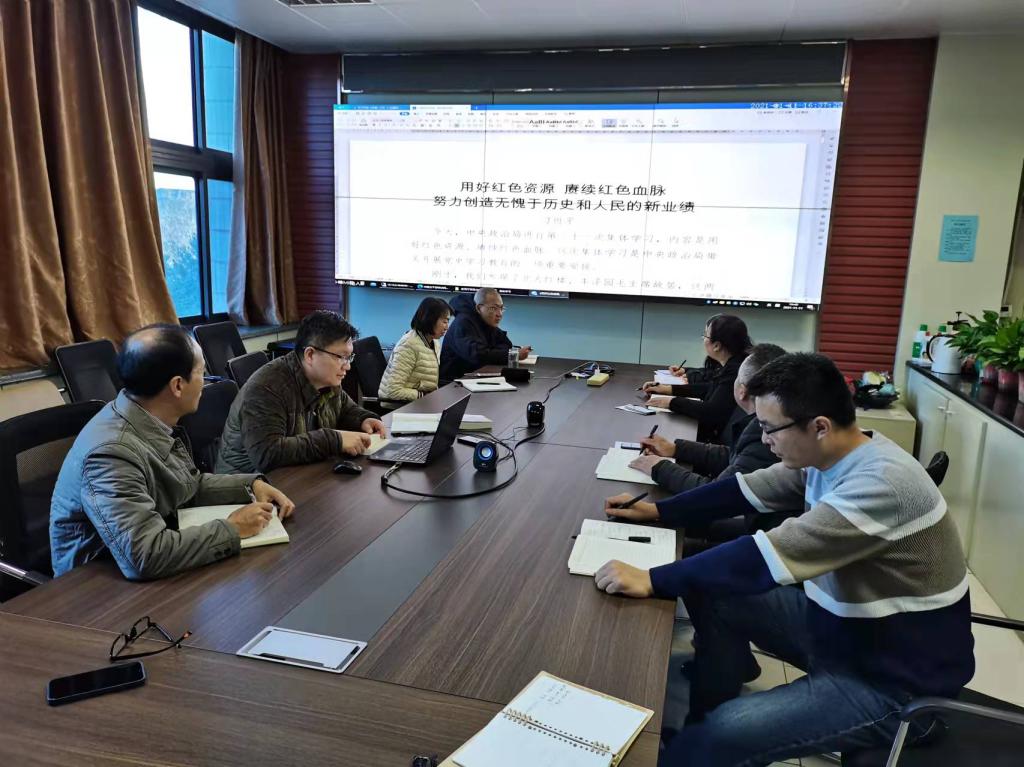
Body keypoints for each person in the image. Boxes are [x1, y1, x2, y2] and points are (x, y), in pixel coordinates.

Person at [599, 353, 974, 765]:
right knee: (712, 593)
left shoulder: (882, 485)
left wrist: (653, 579)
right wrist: (658, 511)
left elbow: (760, 557)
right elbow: (742, 490)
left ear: (819, 427)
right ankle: (698, 739)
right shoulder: (837, 453)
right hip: (844, 636)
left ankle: (703, 746)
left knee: (725, 731)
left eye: (768, 428)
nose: (764, 440)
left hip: (896, 685)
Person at [50, 324, 296, 582]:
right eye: (201, 372)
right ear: (178, 385)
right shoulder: (112, 453)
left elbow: (187, 486)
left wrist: (251, 484)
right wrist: (233, 528)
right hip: (95, 589)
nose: (205, 381)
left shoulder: (146, 417)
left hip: (145, 562)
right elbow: (144, 555)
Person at [216, 311, 387, 474]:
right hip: (248, 484)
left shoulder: (327, 380)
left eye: (349, 357)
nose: (347, 366)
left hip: (297, 474)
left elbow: (345, 410)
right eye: (340, 357)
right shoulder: (266, 388)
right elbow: (267, 454)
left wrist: (363, 419)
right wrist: (334, 440)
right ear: (310, 355)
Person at [629, 343, 786, 495]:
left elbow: (717, 494)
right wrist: (676, 449)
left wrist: (660, 468)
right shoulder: (762, 422)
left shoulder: (764, 435)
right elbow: (735, 456)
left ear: (742, 391)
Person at [643, 314, 751, 444]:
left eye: (705, 336)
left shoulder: (735, 371)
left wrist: (671, 402)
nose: (703, 339)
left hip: (716, 443)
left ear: (717, 346)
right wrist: (667, 389)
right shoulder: (733, 363)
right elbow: (709, 388)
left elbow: (711, 412)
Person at [438, 288, 531, 382]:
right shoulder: (463, 323)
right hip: (453, 382)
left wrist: (492, 352)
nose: (499, 314)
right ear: (479, 308)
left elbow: (506, 344)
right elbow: (477, 355)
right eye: (493, 308)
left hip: (476, 378)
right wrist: (513, 355)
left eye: (501, 308)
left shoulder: (485, 321)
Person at [378, 297, 450, 407]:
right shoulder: (408, 345)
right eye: (444, 322)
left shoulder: (434, 342)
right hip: (400, 407)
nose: (447, 327)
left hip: (419, 403)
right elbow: (392, 391)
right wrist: (424, 396)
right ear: (430, 320)